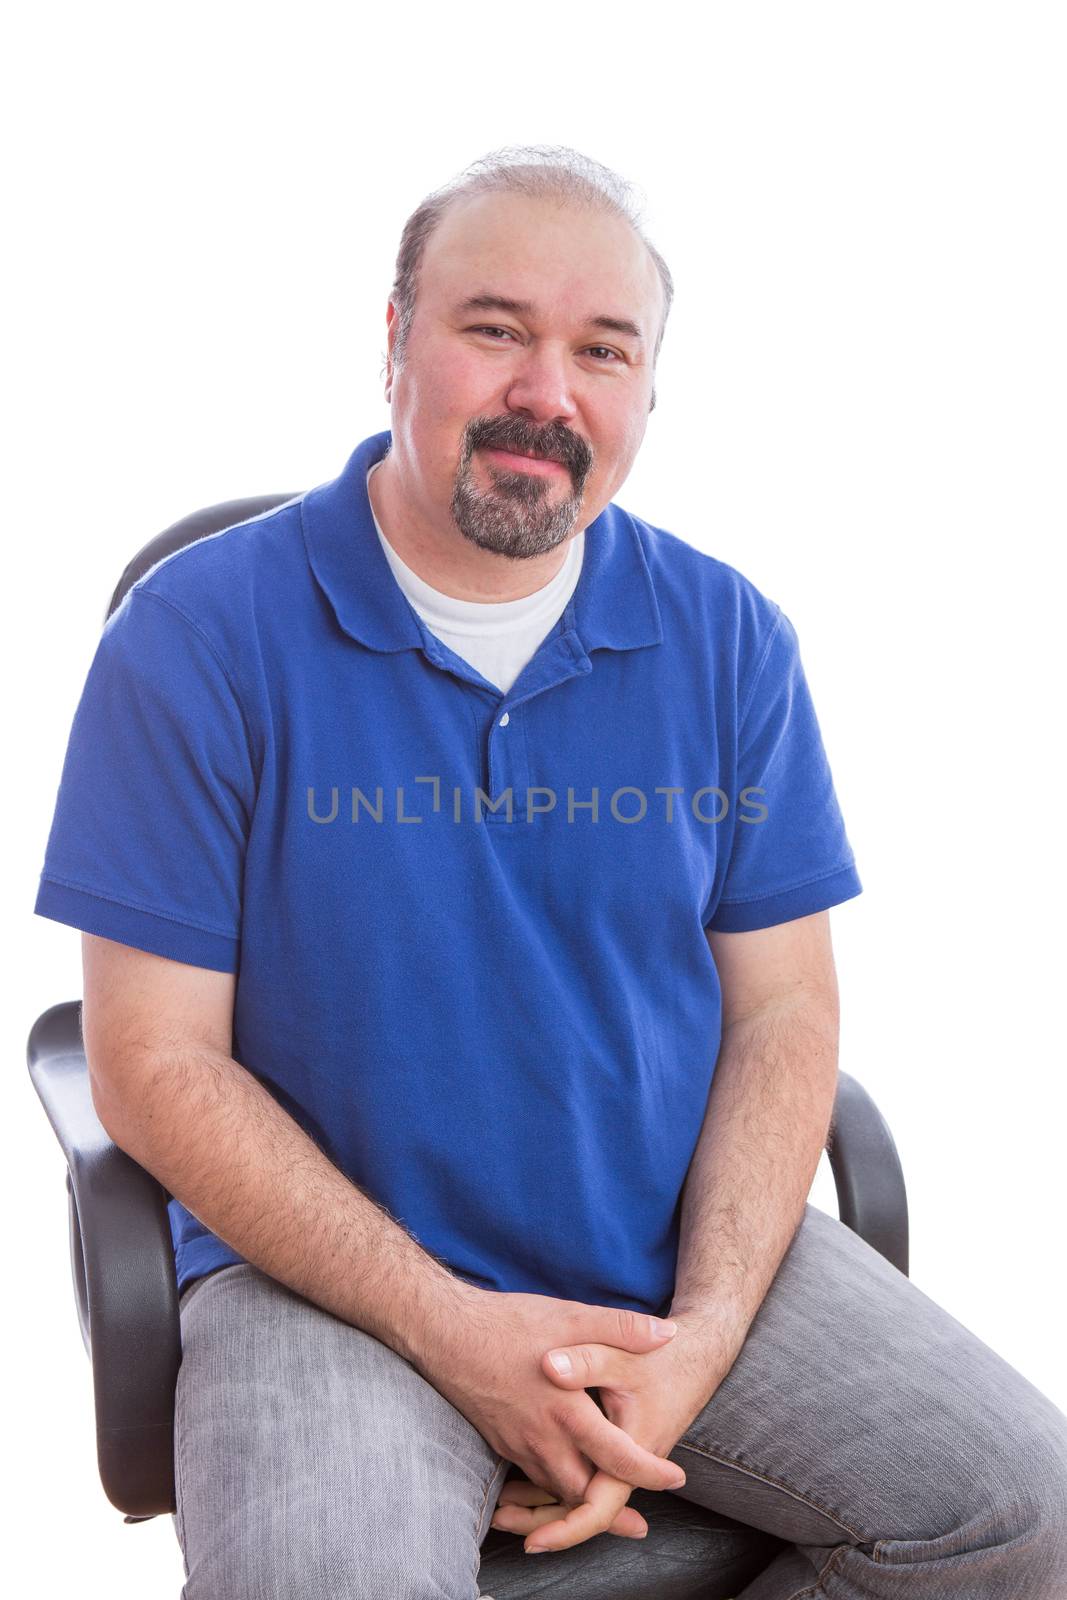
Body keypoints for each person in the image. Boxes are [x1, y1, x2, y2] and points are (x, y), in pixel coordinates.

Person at [34, 145, 1067, 1599]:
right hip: (320, 1280)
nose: (549, 392)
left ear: (648, 392)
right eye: (496, 328)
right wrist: (454, 1332)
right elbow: (147, 1064)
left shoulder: (729, 639)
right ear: (395, 343)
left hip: (668, 1253)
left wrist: (702, 1337)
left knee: (1024, 1514)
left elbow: (783, 1015)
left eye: (603, 350)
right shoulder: (195, 637)